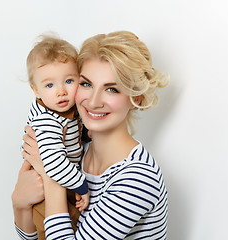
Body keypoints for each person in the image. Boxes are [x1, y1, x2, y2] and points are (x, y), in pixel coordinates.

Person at [13, 30, 169, 239]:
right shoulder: (76, 151)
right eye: (86, 84)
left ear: (136, 98)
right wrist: (20, 204)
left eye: (112, 89)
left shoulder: (137, 177)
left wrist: (51, 179)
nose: (94, 101)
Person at [22, 35, 90, 239]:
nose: (61, 91)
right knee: (57, 226)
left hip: (62, 179)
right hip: (46, 187)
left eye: (69, 81)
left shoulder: (63, 109)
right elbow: (53, 164)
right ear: (36, 90)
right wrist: (81, 185)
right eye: (50, 85)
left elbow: (76, 127)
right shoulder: (47, 122)